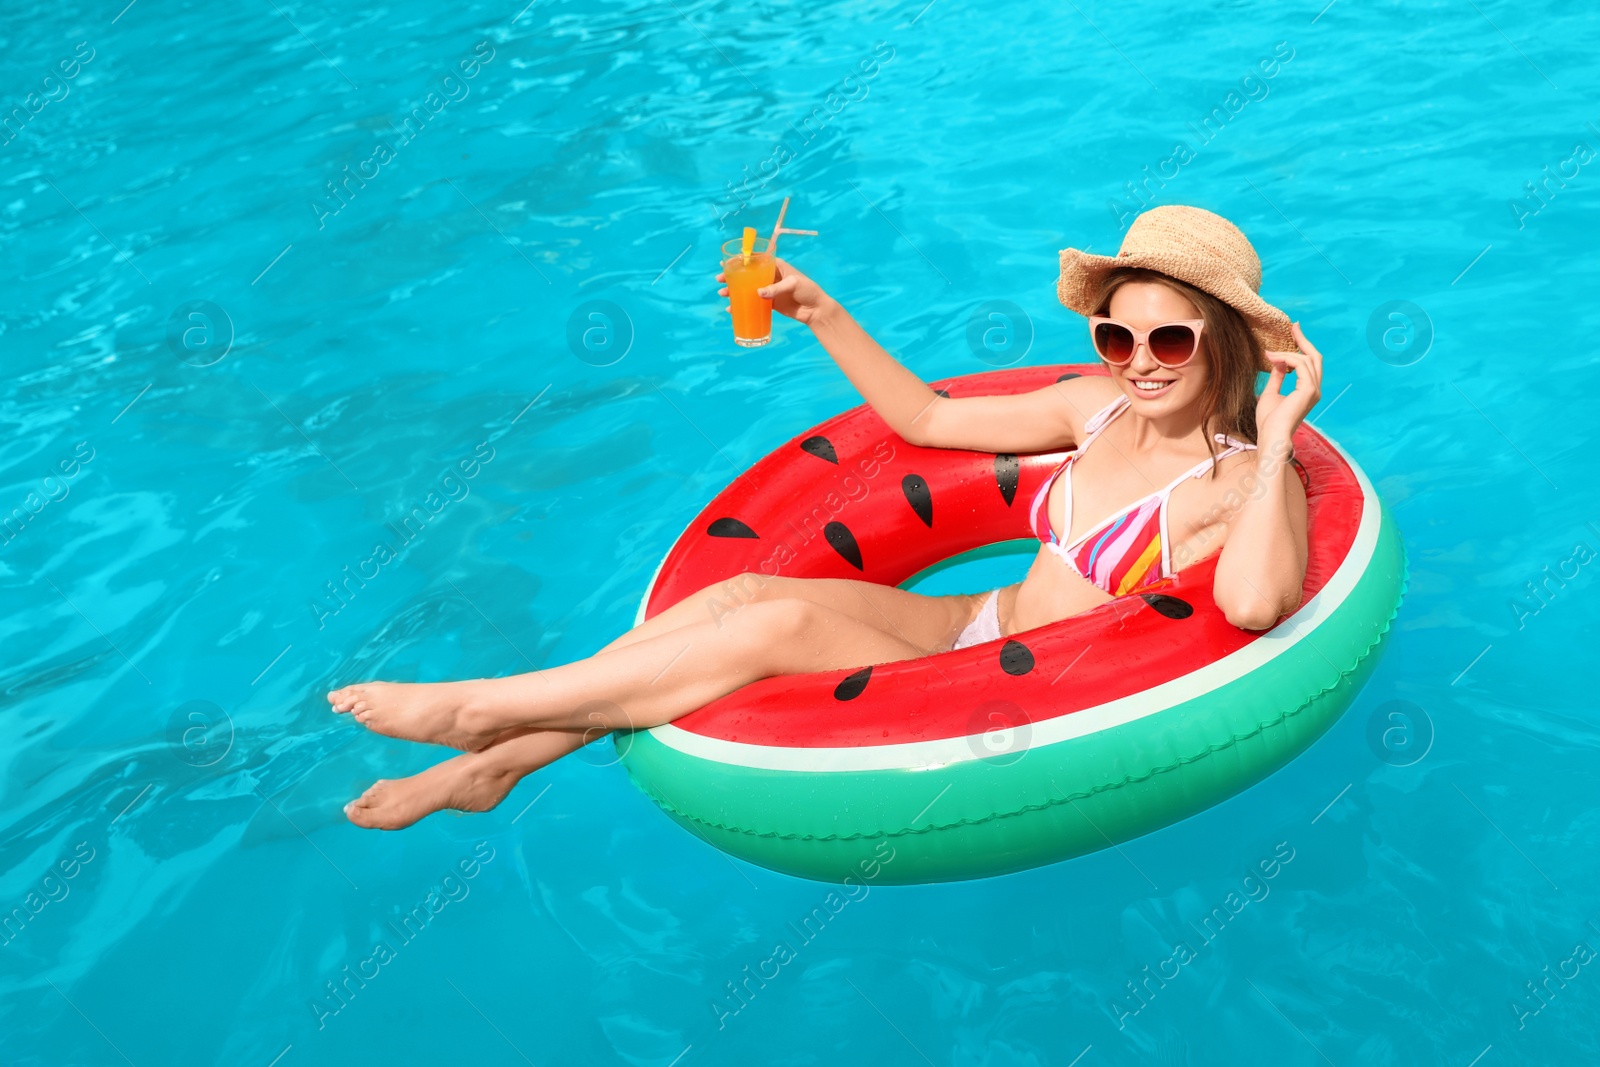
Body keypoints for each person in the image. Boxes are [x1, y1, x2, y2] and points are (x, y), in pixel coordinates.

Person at [331, 204, 1323, 829]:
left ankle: (483, 711)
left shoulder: (1231, 482)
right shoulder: (1090, 405)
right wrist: (817, 310)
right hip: (974, 623)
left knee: (778, 626)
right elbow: (928, 417)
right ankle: (496, 764)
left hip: (1024, 685)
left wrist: (1278, 436)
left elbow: (1253, 602)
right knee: (746, 590)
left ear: (1225, 344)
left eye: (1170, 338)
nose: (1139, 357)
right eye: (1117, 331)